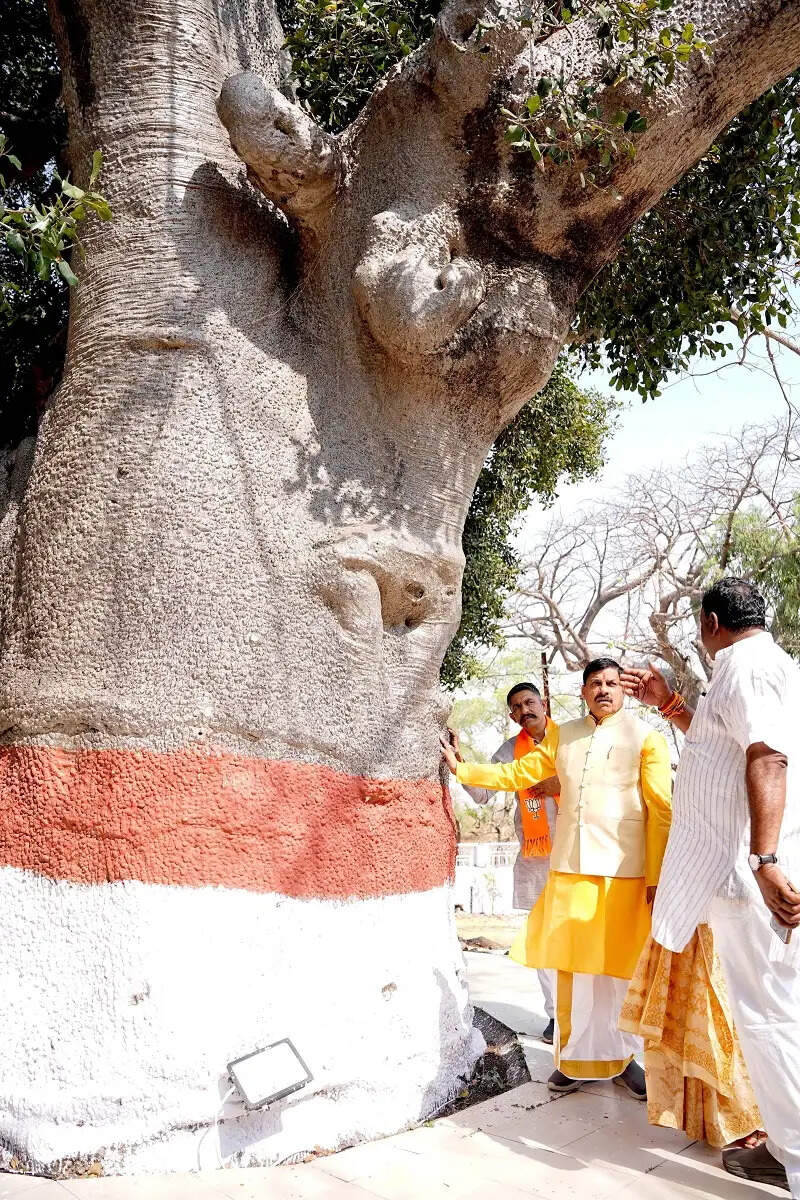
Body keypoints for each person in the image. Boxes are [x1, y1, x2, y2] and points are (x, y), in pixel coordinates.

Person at [621, 577, 800, 1195]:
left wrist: (765, 860)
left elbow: (768, 756)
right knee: (771, 1014)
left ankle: (795, 1157)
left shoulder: (746, 666)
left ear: (711, 622)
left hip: (752, 879)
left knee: (770, 1019)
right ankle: (784, 1146)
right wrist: (669, 703)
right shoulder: (758, 665)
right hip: (740, 874)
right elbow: (723, 748)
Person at [442, 658, 672, 1098]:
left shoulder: (647, 737)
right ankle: (575, 1061)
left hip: (627, 874)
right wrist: (462, 769)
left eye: (611, 682)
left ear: (623, 689)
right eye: (595, 683)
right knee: (573, 973)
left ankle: (625, 1060)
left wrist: (656, 877)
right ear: (583, 692)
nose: (603, 690)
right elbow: (517, 774)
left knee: (618, 975)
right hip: (569, 872)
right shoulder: (562, 735)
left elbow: (661, 811)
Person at [450, 681, 559, 1041]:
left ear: (544, 703)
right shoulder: (511, 751)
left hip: (580, 854)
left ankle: (587, 1018)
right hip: (537, 859)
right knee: (544, 941)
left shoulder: (572, 738)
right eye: (517, 707)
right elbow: (482, 794)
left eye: (530, 702)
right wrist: (460, 763)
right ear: (512, 716)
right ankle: (557, 1016)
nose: (525, 710)